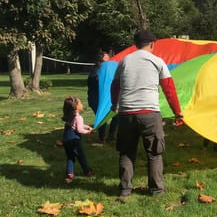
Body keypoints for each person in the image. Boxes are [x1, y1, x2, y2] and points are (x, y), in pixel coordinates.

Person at [110, 30, 184, 198]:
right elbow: (169, 89)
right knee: (154, 153)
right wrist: (177, 112)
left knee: (126, 152)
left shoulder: (124, 61)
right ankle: (156, 190)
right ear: (152, 44)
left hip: (126, 114)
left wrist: (114, 104)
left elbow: (115, 86)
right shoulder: (157, 61)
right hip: (150, 114)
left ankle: (125, 189)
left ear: (136, 45)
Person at [87, 51, 118, 142]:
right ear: (100, 61)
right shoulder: (95, 72)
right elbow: (94, 84)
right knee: (102, 117)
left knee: (116, 116)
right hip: (96, 99)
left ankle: (111, 135)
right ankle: (102, 137)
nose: (109, 61)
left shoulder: (108, 70)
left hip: (108, 99)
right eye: (107, 59)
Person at [62, 96, 93, 180]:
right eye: (80, 103)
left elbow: (76, 126)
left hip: (66, 140)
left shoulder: (70, 116)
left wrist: (87, 127)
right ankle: (87, 171)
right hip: (74, 140)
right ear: (76, 107)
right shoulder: (79, 117)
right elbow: (79, 129)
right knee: (81, 156)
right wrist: (88, 132)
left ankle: (70, 173)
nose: (82, 104)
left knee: (70, 157)